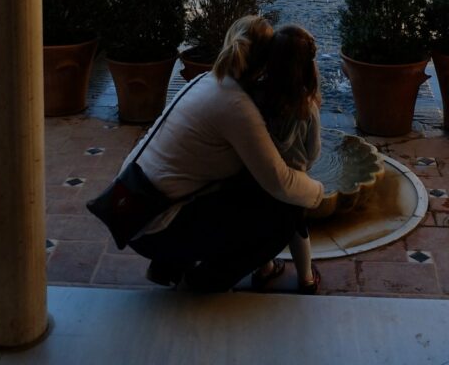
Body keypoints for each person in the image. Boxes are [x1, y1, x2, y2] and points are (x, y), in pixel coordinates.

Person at [123, 16, 324, 292]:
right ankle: (204, 281)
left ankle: (169, 263)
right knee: (285, 210)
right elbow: (280, 182)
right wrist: (317, 193)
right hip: (152, 225)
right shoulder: (237, 108)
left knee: (239, 183)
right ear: (267, 62)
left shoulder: (208, 80)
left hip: (132, 208)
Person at [252, 25, 322, 294]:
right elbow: (313, 151)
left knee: (260, 225)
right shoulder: (308, 108)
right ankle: (306, 278)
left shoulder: (256, 98)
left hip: (260, 177)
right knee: (297, 227)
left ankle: (264, 268)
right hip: (295, 182)